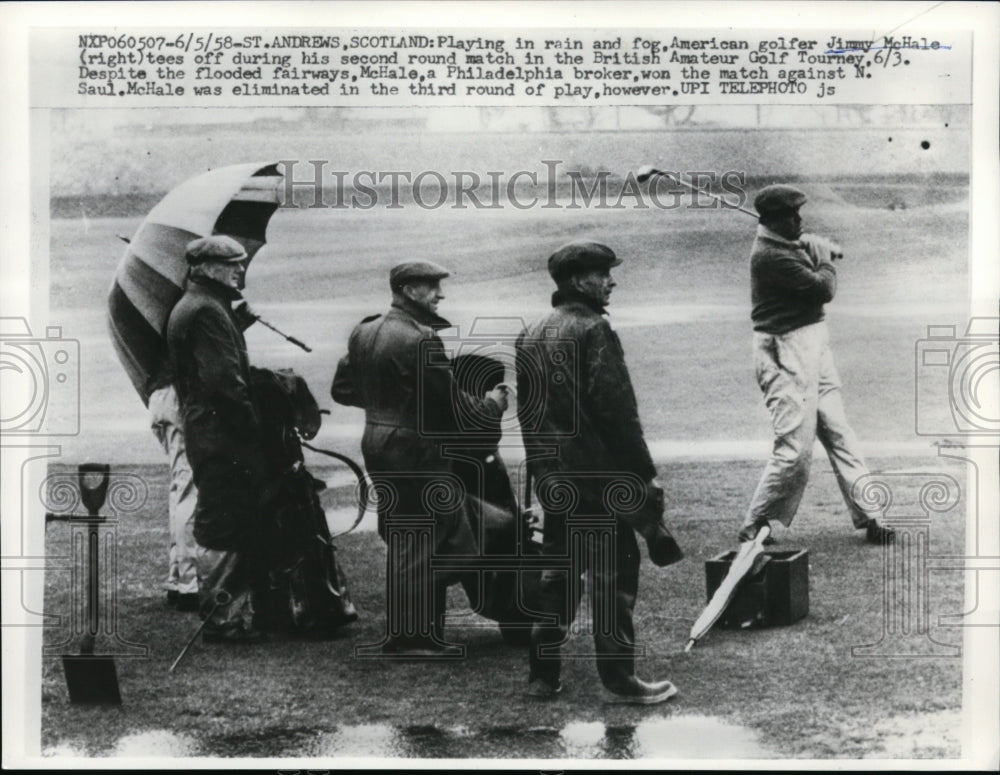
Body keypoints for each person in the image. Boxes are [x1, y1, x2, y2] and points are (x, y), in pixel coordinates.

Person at [515, 241, 682, 703]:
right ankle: (619, 679)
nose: (611, 281)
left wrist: (543, 478)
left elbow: (529, 418)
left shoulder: (530, 333)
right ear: (577, 281)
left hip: (555, 480)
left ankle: (542, 676)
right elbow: (618, 413)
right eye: (603, 273)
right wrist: (643, 475)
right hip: (600, 480)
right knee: (614, 577)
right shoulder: (594, 330)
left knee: (556, 578)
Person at [331, 260, 510, 656]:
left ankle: (415, 634)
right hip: (415, 451)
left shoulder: (364, 331)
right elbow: (453, 407)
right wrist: (492, 405)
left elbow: (342, 389)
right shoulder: (421, 338)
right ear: (409, 290)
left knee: (406, 538)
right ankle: (411, 638)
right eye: (432, 287)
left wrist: (389, 402)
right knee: (439, 539)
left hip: (378, 442)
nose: (439, 295)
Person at [739, 184, 895, 545]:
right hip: (784, 352)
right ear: (774, 221)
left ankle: (871, 513)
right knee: (793, 448)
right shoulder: (769, 256)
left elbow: (803, 261)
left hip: (813, 344)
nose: (799, 219)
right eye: (792, 216)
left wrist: (807, 243)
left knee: (840, 432)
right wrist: (822, 257)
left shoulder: (784, 244)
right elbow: (822, 289)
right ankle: (754, 526)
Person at [166, 234, 270, 644]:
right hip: (221, 434)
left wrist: (235, 325)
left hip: (206, 430)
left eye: (240, 262)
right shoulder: (207, 311)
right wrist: (254, 431)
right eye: (232, 264)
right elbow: (224, 384)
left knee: (225, 517)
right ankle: (222, 617)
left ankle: (226, 612)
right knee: (227, 521)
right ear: (205, 267)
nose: (240, 270)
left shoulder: (197, 306)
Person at [148, 369, 199, 612]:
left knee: (180, 489)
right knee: (189, 488)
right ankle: (189, 584)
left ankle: (178, 578)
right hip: (178, 393)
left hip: (160, 394)